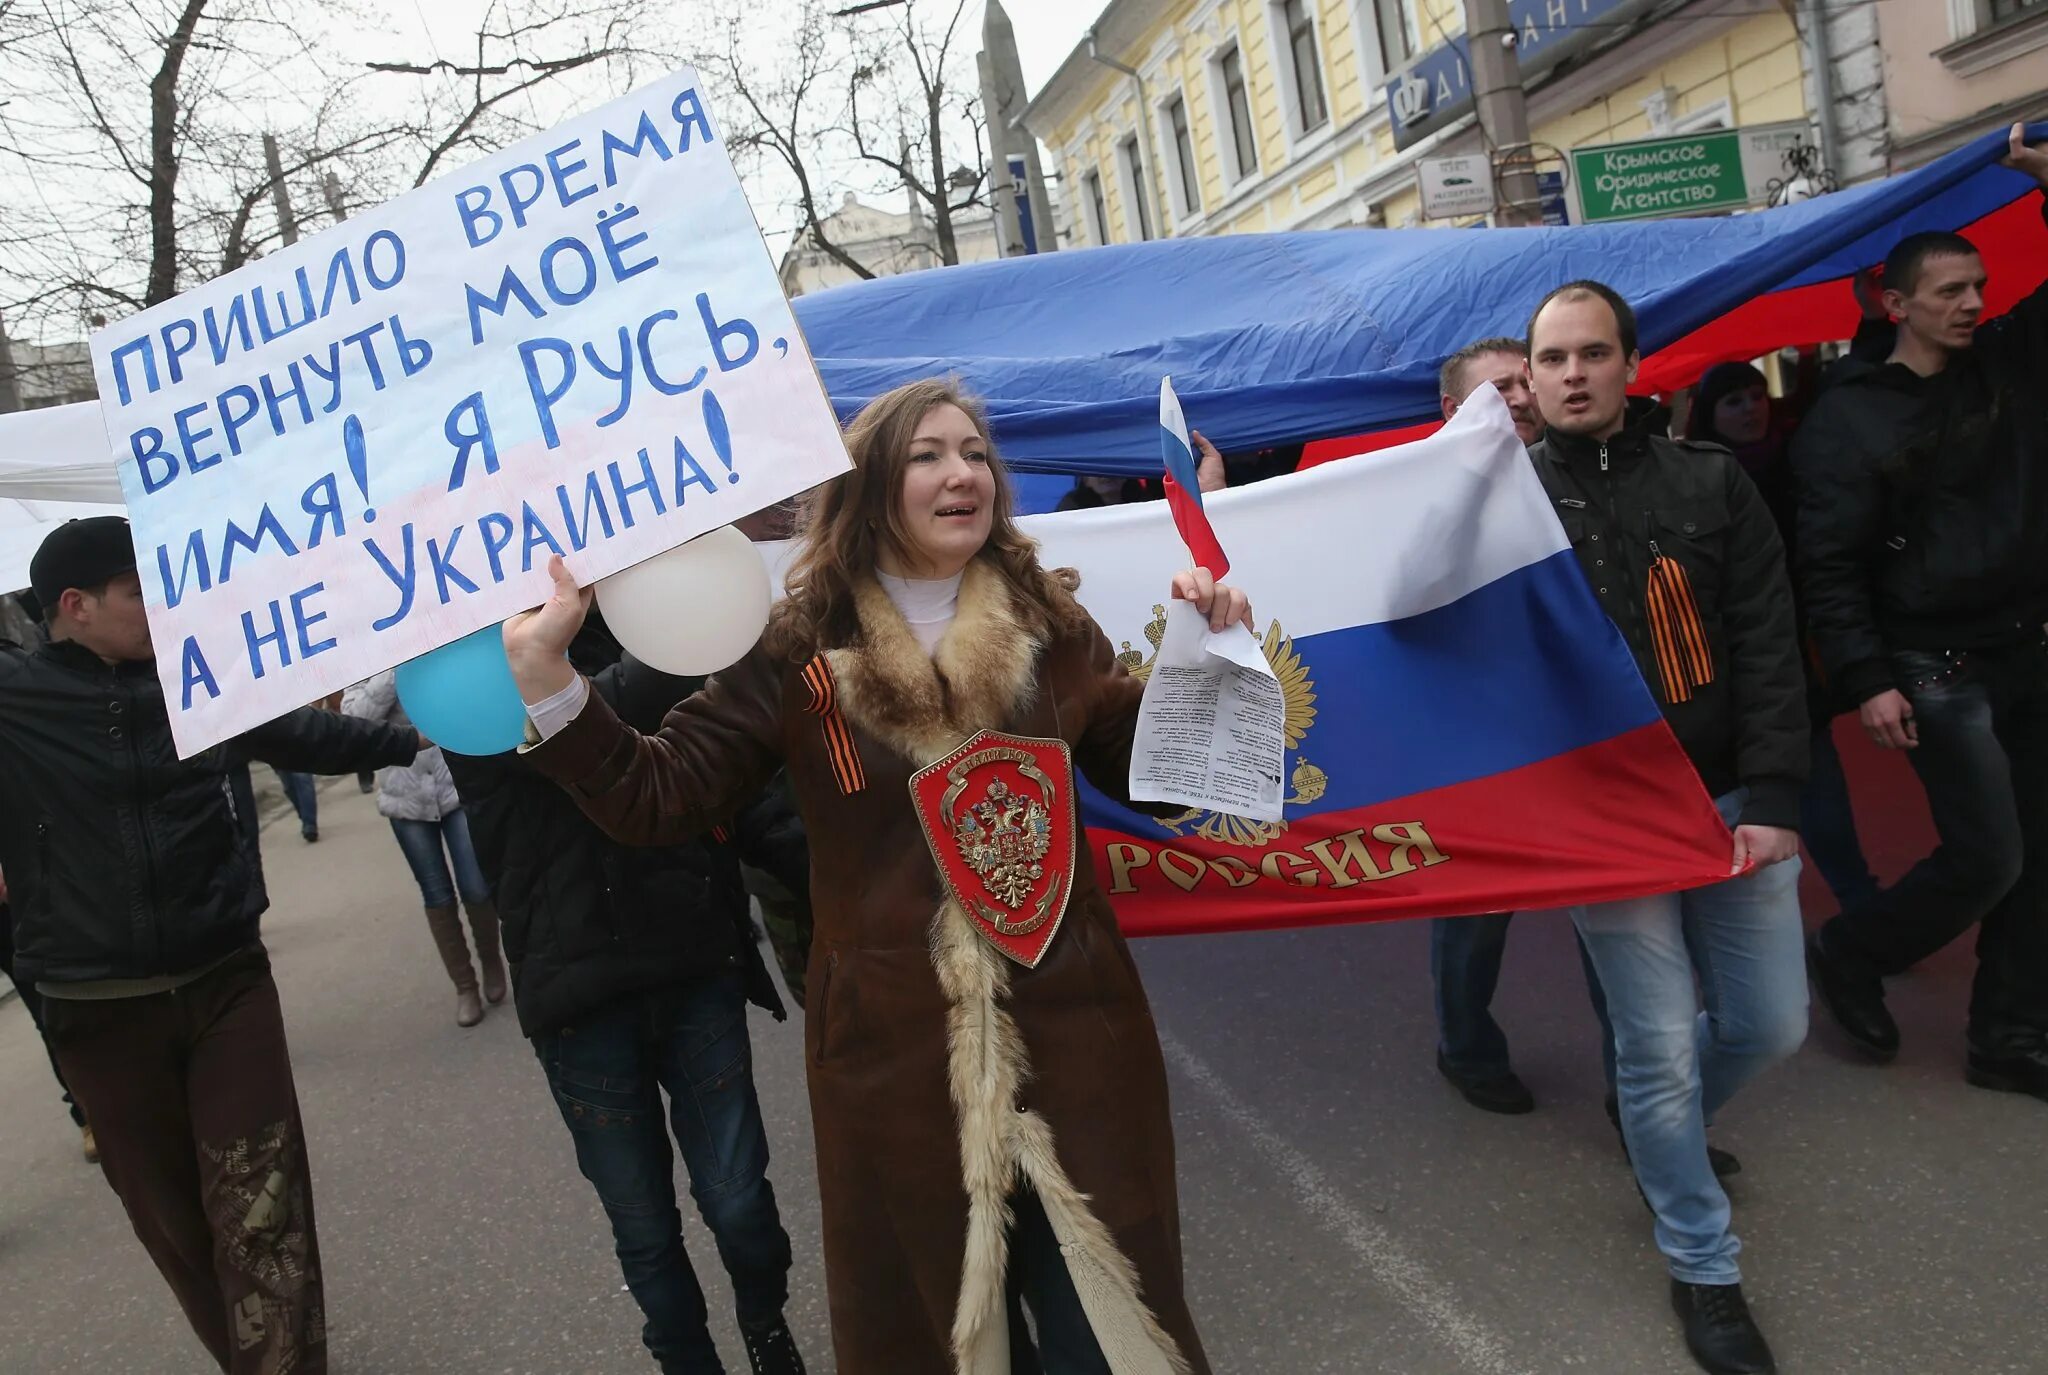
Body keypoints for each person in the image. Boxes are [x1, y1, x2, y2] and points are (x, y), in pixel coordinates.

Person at [503, 378, 1246, 1373]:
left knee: (1107, 1341)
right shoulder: (798, 648)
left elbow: (1150, 780)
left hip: (1077, 1034)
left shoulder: (1050, 624)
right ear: (871, 488)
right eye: (927, 455)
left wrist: (1206, 660)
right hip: (895, 1057)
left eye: (974, 453)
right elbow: (660, 795)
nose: (960, 474)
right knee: (945, 1338)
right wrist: (552, 687)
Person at [0, 516, 423, 1375]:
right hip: (97, 1017)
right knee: (179, 1227)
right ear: (75, 606)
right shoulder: (15, 700)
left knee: (262, 1210)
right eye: (138, 594)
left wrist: (424, 738)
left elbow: (313, 737)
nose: (161, 609)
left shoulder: (198, 679)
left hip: (225, 984)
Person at [1526, 283, 1810, 1375]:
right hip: (1604, 818)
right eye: (1552, 358)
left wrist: (1779, 797)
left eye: (1592, 353)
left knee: (1769, 1023)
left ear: (1631, 362)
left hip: (1730, 795)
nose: (1572, 374)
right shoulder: (1497, 501)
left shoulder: (1712, 482)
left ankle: (1659, 1121)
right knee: (1651, 1044)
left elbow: (1766, 641)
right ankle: (1702, 1262)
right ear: (1535, 377)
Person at [446, 612, 805, 1375]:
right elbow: (586, 713)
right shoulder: (467, 694)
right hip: (579, 1004)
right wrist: (717, 635)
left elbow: (735, 786)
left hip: (692, 965)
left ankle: (768, 1327)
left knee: (740, 1202)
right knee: (644, 1227)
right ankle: (686, 1359)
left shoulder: (650, 621)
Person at [1794, 124, 2048, 1097]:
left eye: (1977, 287)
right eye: (1949, 291)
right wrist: (1866, 677)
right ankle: (1850, 947)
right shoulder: (1847, 418)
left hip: (2024, 647)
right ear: (1894, 303)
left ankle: (2008, 1036)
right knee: (1988, 856)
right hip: (1933, 669)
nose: (1972, 303)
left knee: (2038, 857)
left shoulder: (2009, 369)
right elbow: (1827, 562)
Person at [1689, 361, 1878, 912]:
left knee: (1821, 794)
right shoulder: (1694, 484)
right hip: (1724, 676)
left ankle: (1861, 905)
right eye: (1734, 401)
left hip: (1791, 662)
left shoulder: (1798, 465)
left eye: (1755, 395)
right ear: (1710, 414)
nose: (1750, 409)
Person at [342, 670, 504, 1028]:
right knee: (436, 893)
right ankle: (465, 986)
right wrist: (391, 672)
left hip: (455, 784)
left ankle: (491, 959)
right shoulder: (363, 655)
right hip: (404, 796)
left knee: (476, 884)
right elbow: (354, 722)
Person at [0, 869, 94, 1159]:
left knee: (74, 999)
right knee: (48, 1016)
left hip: (24, 892)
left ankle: (118, 1103)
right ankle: (88, 1115)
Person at [1054, 427, 1226, 509]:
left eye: (1115, 465)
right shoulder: (1070, 507)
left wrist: (1210, 495)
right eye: (1096, 469)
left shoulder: (1149, 500)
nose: (1105, 474)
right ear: (1084, 479)